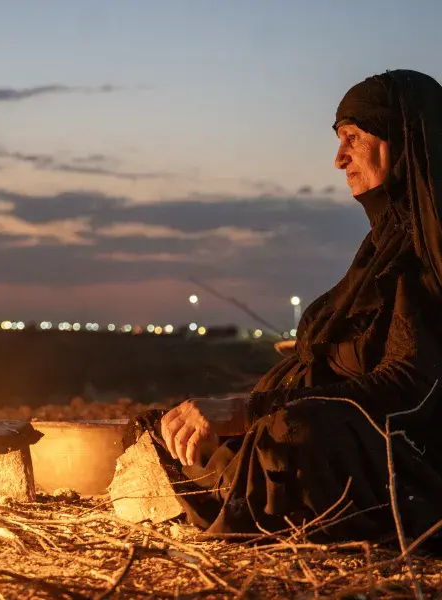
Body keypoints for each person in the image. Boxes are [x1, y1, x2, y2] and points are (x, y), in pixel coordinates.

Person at [124, 69, 442, 541]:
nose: (338, 159)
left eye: (353, 138)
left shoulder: (429, 254)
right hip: (330, 427)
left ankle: (239, 486)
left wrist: (249, 410)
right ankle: (229, 479)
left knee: (293, 434)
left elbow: (411, 388)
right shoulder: (383, 247)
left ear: (401, 136)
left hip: (403, 457)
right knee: (167, 427)